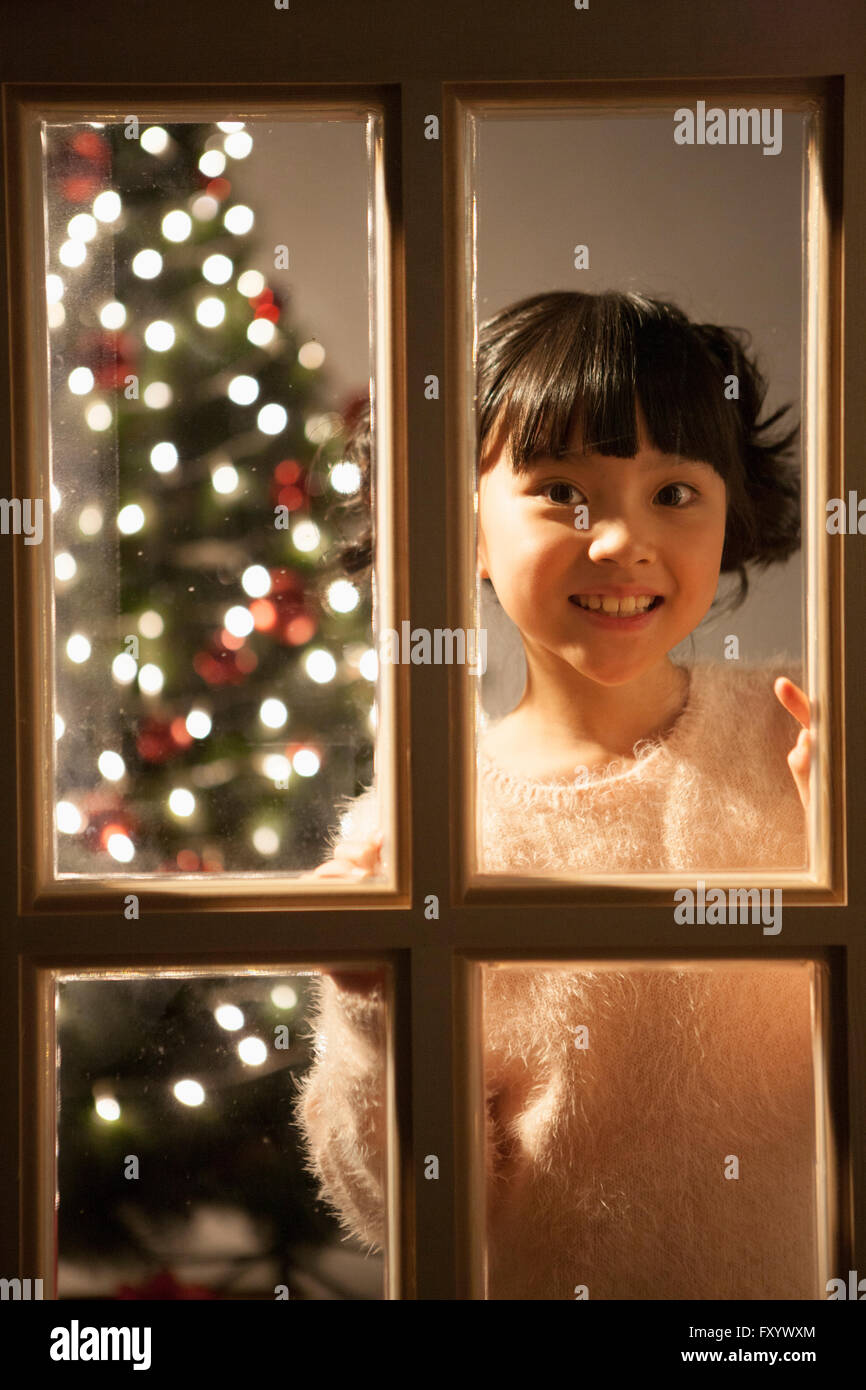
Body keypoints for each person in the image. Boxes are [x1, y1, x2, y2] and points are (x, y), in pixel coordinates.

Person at [294, 291, 821, 1298]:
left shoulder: (801, 739)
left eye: (671, 493)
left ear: (728, 513)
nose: (620, 538)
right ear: (463, 526)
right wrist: (373, 1018)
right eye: (559, 492)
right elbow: (389, 1202)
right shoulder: (420, 823)